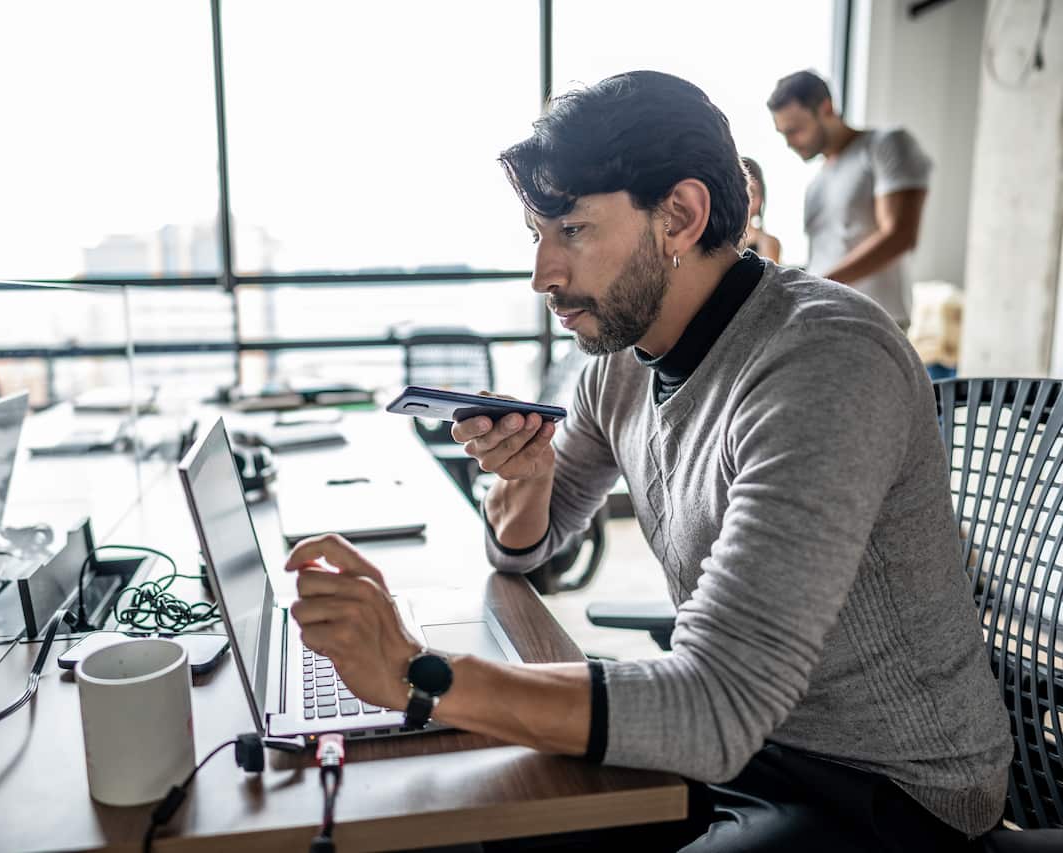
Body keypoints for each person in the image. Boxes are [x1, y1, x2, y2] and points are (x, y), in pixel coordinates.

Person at [284, 70, 1009, 851]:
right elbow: (524, 547)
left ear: (681, 216)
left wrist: (417, 676)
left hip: (889, 785)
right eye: (537, 235)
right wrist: (523, 481)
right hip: (747, 748)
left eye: (573, 230)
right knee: (472, 820)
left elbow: (715, 704)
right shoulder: (621, 364)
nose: (543, 275)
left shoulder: (826, 359)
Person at [768, 70, 930, 328]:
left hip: (872, 320)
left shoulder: (885, 145)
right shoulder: (816, 183)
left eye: (795, 130)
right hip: (822, 315)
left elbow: (900, 234)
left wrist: (816, 284)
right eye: (783, 134)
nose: (789, 142)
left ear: (826, 108)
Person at [739, 156, 781, 262]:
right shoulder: (719, 243)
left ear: (762, 197)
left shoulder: (767, 242)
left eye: (752, 192)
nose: (747, 200)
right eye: (740, 192)